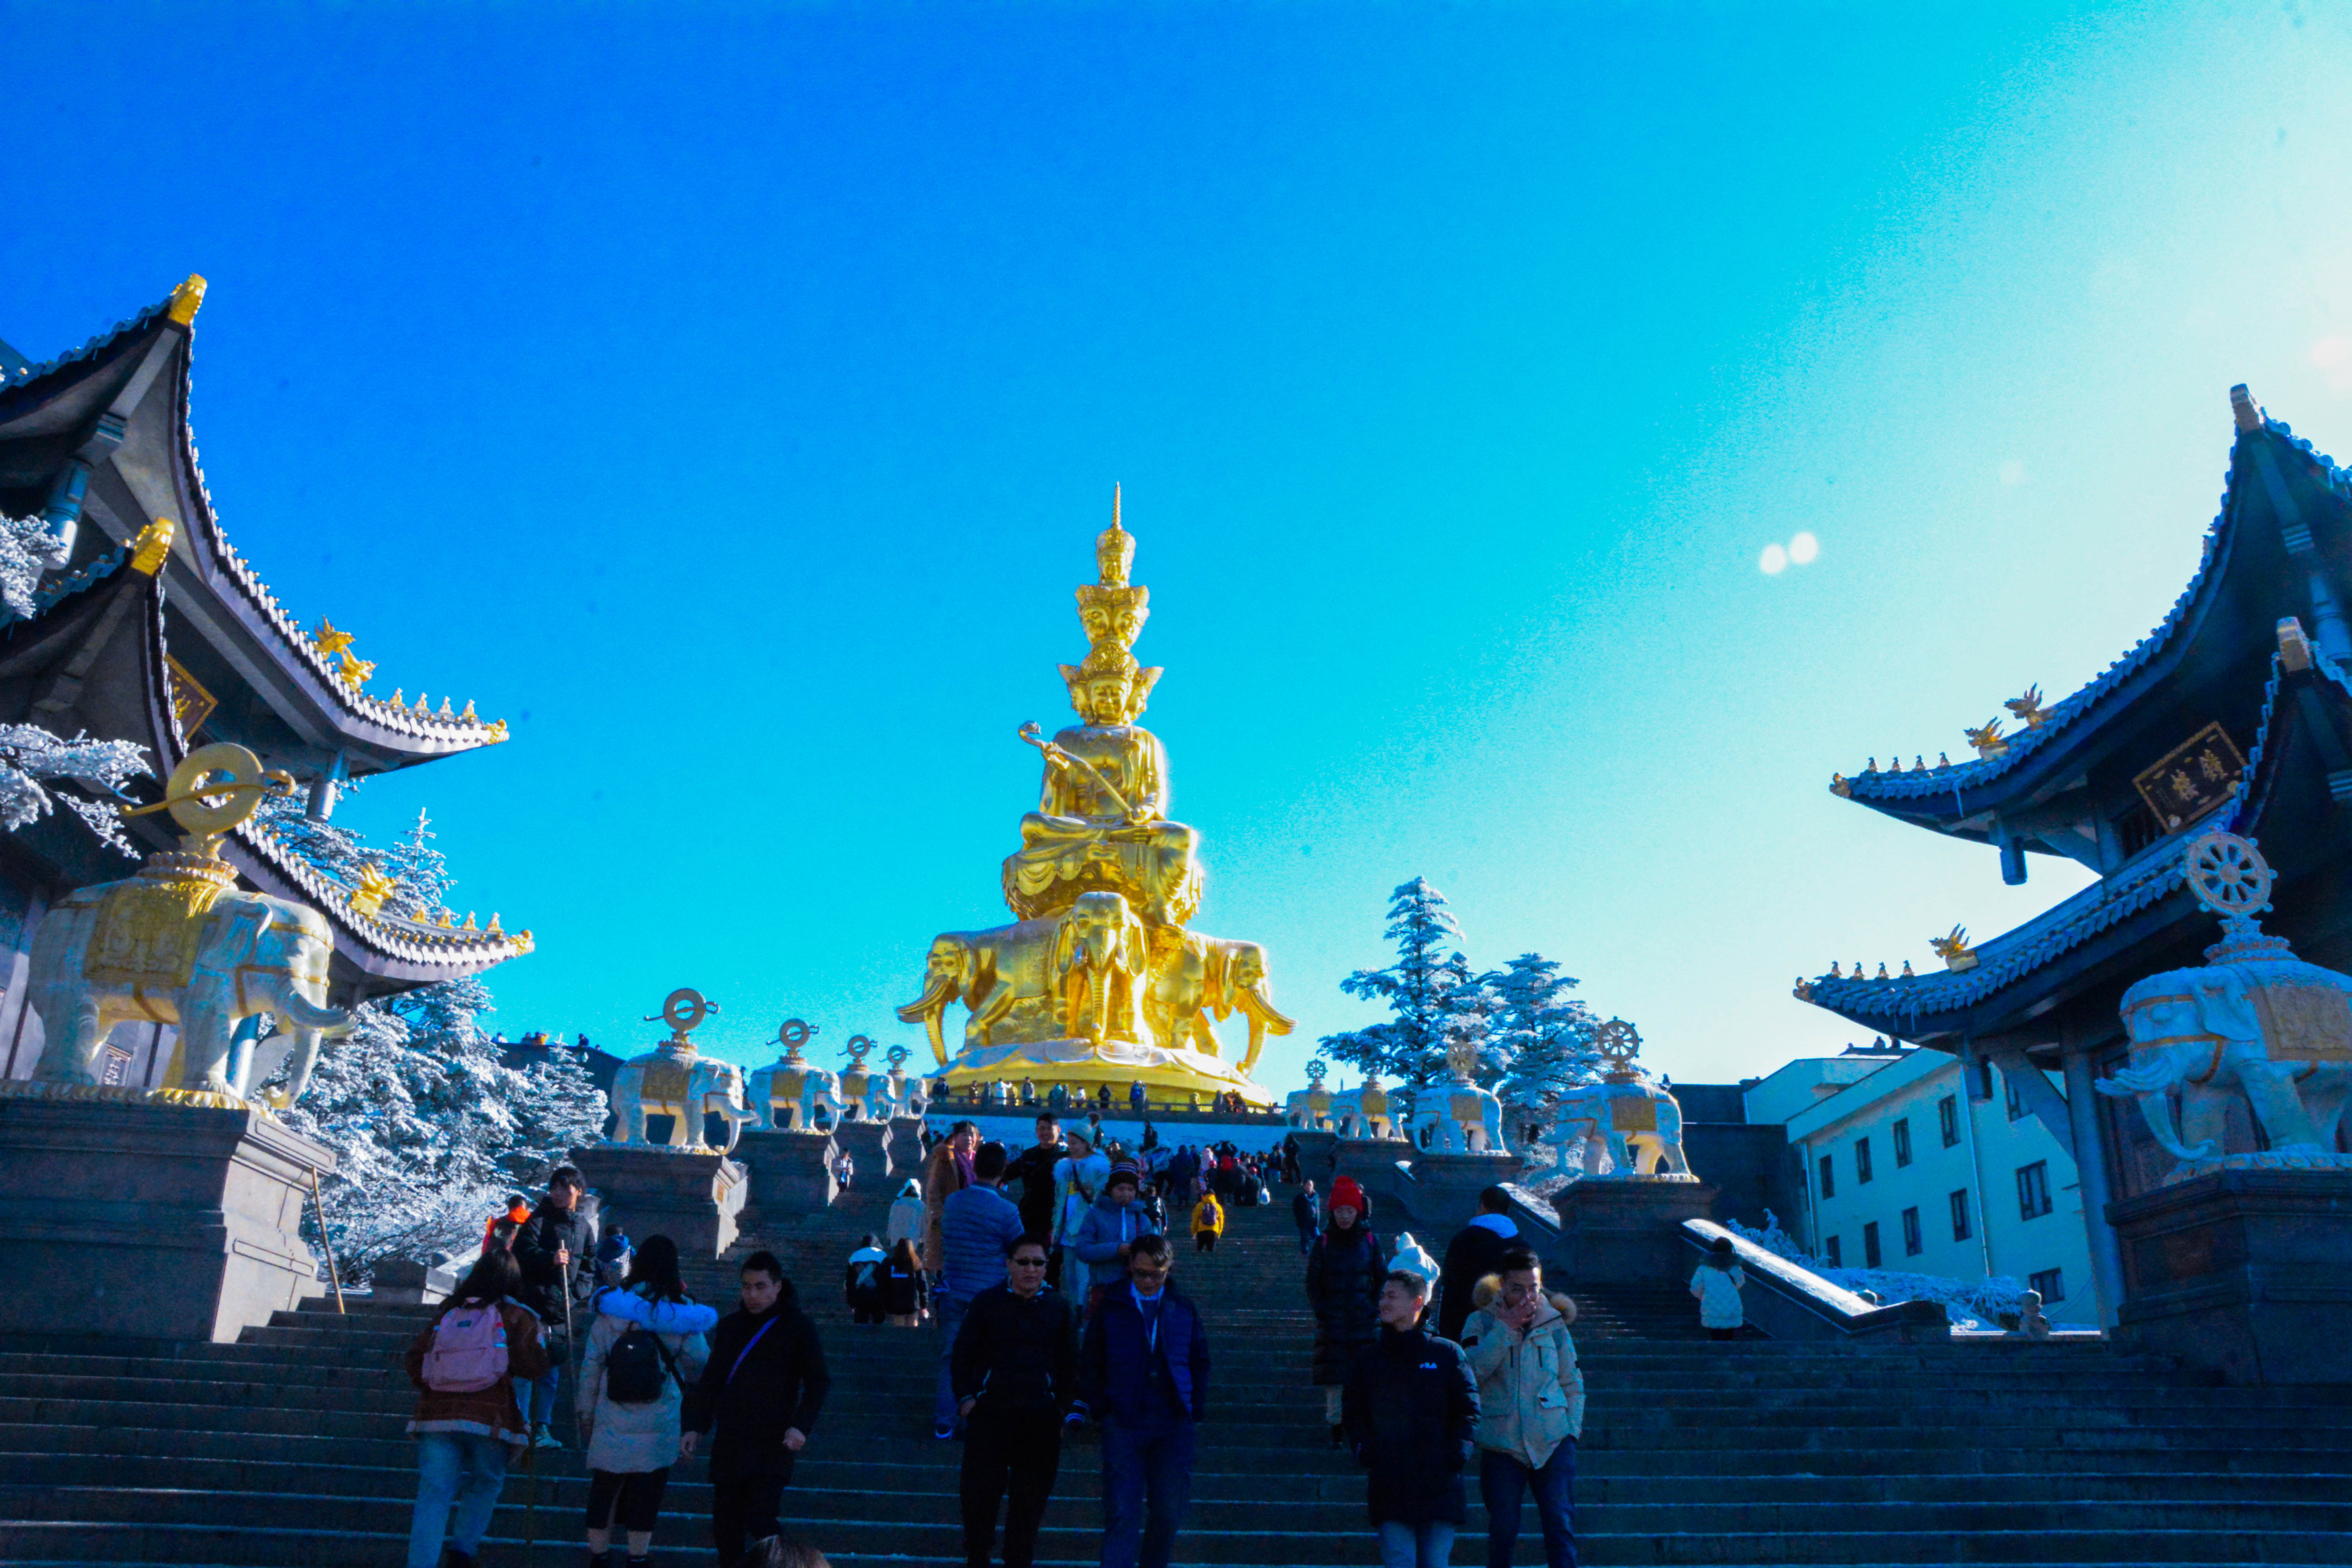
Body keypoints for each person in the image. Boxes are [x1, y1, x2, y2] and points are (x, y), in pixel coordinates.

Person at [402, 1246, 550, 1568]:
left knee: (434, 1494)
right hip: (490, 1418)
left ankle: (421, 1563)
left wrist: (438, 1383)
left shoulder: (448, 1311)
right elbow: (533, 1367)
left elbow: (415, 1358)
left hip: (436, 1416)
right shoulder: (516, 1315)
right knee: (486, 1482)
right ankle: (462, 1552)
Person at [683, 1251, 832, 1568]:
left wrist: (801, 1426)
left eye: (761, 1287)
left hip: (772, 1441)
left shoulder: (798, 1327)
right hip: (731, 1440)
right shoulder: (730, 1327)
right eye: (747, 1287)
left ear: (778, 1287)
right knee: (726, 1527)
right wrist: (695, 1425)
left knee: (761, 1518)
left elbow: (818, 1381)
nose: (752, 1295)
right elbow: (712, 1381)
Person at [576, 1235, 716, 1568]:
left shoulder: (613, 1307)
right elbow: (701, 1361)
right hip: (660, 1416)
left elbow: (591, 1367)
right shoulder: (682, 1313)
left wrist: (586, 1414)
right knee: (647, 1489)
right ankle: (638, 1557)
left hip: (612, 1414)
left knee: (605, 1487)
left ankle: (599, 1555)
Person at [1080, 1232, 1209, 1568]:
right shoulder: (1111, 1304)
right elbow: (1091, 1359)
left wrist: (1194, 1407)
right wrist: (1102, 1408)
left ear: (1169, 1270)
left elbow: (1200, 1360)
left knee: (1168, 1512)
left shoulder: (1183, 1307)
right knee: (1122, 1512)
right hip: (1124, 1421)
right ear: (1130, 1268)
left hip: (1173, 1422)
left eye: (1157, 1274)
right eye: (1141, 1273)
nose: (1149, 1281)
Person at [951, 1233, 1080, 1568]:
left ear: (1047, 1267)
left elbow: (1070, 1364)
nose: (1031, 1269)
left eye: (1038, 1263)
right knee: (979, 1500)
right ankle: (978, 1557)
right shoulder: (986, 1303)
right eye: (1023, 1262)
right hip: (991, 1415)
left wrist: (1061, 1410)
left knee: (1029, 1507)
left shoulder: (1058, 1307)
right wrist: (966, 1399)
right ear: (1008, 1264)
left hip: (1040, 1419)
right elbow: (962, 1355)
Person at [1344, 1269, 1479, 1568]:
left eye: (1392, 1296)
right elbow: (1354, 1412)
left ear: (1418, 1302)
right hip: (1390, 1481)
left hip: (1439, 1480)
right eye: (1382, 1296)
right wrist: (1365, 1449)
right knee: (1399, 1560)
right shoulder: (1368, 1358)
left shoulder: (1447, 1354)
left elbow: (1468, 1409)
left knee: (1435, 1562)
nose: (1383, 1303)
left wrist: (1459, 1452)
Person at [1460, 1245, 1583, 1568]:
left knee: (1560, 1526)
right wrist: (1504, 1329)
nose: (1528, 1297)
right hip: (1502, 1443)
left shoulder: (1554, 1323)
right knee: (1503, 1530)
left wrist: (1571, 1432)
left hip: (1553, 1440)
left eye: (1534, 1288)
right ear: (1502, 1285)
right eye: (1518, 1289)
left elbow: (1572, 1383)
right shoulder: (1480, 1322)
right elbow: (1471, 1374)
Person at [937, 1141, 1027, 1437]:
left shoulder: (953, 1202)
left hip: (954, 1287)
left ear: (975, 1168)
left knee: (952, 1356)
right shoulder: (1007, 1210)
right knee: (988, 1356)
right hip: (990, 1293)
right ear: (1003, 1172)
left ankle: (945, 1419)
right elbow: (1019, 1250)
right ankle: (981, 1417)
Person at [512, 1165, 596, 1448]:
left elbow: (589, 1265)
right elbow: (521, 1252)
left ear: (578, 1192)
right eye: (554, 1188)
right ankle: (520, 1424)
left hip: (562, 1309)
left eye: (564, 1188)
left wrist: (577, 1293)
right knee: (526, 1368)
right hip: (534, 1304)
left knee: (551, 1370)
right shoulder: (538, 1220)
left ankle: (542, 1427)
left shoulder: (584, 1227)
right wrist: (549, 1259)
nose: (558, 1193)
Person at [1306, 1176, 1384, 1447]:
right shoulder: (1324, 1242)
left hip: (1363, 1320)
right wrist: (1323, 1311)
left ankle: (1360, 1430)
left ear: (1358, 1211)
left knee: (1363, 1377)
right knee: (1335, 1380)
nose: (1345, 1216)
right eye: (1340, 1211)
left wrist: (1372, 1306)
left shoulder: (1371, 1241)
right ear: (1333, 1212)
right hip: (1334, 1322)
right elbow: (1312, 1282)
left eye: (1350, 1210)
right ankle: (1336, 1429)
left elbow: (1382, 1277)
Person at [1436, 1187, 1522, 1344]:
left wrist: (1446, 1334)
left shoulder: (1465, 1240)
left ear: (1482, 1207)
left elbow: (1450, 1287)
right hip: (1515, 1333)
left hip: (1467, 1329)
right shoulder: (1522, 1245)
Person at [1073, 1161, 1162, 1311]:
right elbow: (1083, 1251)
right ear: (1110, 1190)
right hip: (1103, 1288)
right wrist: (1116, 1249)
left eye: (1131, 1189)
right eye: (1120, 1188)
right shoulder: (1095, 1216)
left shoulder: (1142, 1219)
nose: (1126, 1193)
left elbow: (1153, 1251)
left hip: (1135, 1288)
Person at [1053, 1129, 1110, 1294]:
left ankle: (1081, 1306)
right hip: (1067, 1229)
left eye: (1074, 1143)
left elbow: (1104, 1197)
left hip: (1087, 1228)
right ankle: (1075, 1306)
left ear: (1087, 1143)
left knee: (1084, 1276)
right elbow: (1059, 1200)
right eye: (1070, 1143)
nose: (1070, 1147)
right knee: (1071, 1276)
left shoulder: (1100, 1166)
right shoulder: (1065, 1166)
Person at [925, 1121, 980, 1274]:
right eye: (964, 1134)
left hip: (973, 1221)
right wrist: (940, 1215)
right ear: (955, 1138)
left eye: (972, 1135)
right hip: (951, 1221)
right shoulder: (946, 1158)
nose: (969, 1138)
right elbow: (933, 1190)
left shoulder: (978, 1161)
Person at [1003, 1112, 1069, 1240]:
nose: (1045, 1133)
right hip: (1030, 1214)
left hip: (1057, 1216)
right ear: (1036, 1131)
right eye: (1042, 1129)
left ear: (1059, 1130)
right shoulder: (1029, 1155)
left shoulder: (1066, 1157)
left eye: (1049, 1128)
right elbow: (1008, 1174)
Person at [1690, 1235, 1746, 1341]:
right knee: (1729, 1339)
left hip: (1711, 1310)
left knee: (1715, 1338)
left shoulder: (1704, 1269)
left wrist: (1704, 1298)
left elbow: (1695, 1288)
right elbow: (1740, 1283)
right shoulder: (1735, 1268)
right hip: (1732, 1311)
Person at [883, 1237, 932, 1327]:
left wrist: (887, 1303)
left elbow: (886, 1284)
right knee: (913, 1330)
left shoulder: (891, 1263)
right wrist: (924, 1305)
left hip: (896, 1304)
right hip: (912, 1304)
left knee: (898, 1329)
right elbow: (923, 1286)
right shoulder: (916, 1264)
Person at [845, 1234, 888, 1325]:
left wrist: (851, 1301)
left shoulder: (855, 1256)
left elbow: (850, 1281)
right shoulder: (882, 1256)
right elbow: (887, 1279)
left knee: (860, 1325)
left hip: (860, 1297)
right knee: (880, 1324)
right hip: (878, 1297)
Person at [888, 1178, 926, 1249]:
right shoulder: (921, 1205)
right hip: (913, 1240)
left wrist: (889, 1236)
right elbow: (923, 1224)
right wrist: (924, 1239)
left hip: (897, 1239)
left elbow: (891, 1220)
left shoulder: (897, 1203)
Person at [1189, 1190, 1223, 1255]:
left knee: (1199, 1250)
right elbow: (1221, 1221)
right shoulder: (1218, 1207)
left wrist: (1194, 1232)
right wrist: (1219, 1233)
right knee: (1211, 1251)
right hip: (1214, 1230)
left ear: (1204, 1196)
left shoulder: (1200, 1206)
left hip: (1201, 1230)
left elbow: (1195, 1220)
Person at [1292, 1180, 1321, 1255]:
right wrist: (1299, 1218)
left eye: (1311, 1185)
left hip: (1313, 1221)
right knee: (1305, 1238)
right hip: (1304, 1221)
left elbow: (1317, 1208)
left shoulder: (1316, 1196)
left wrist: (1317, 1218)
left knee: (1317, 1237)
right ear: (1304, 1186)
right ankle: (1305, 1252)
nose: (1309, 1187)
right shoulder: (1300, 1197)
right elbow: (1295, 1208)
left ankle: (1318, 1252)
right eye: (1308, 1185)